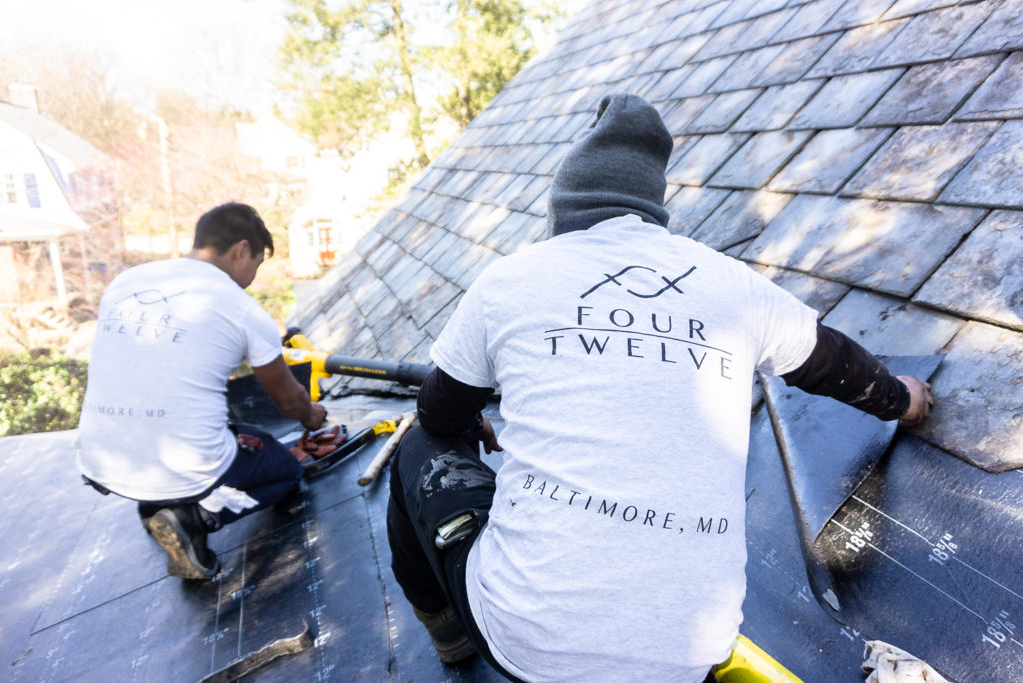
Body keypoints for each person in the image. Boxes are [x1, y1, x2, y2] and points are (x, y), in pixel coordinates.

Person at [384, 94, 934, 682]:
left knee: (417, 445)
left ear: (561, 207)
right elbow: (833, 364)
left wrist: (467, 423)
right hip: (691, 654)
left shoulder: (510, 280)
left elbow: (438, 414)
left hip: (530, 644)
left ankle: (448, 636)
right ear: (651, 206)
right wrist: (903, 400)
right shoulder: (733, 284)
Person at [76, 202, 326, 581]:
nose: (250, 279)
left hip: (101, 459)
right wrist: (313, 416)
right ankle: (195, 517)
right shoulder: (240, 308)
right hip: (188, 465)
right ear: (241, 250)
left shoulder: (126, 282)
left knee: (225, 430)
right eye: (255, 266)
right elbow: (288, 401)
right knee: (287, 472)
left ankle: (158, 501)